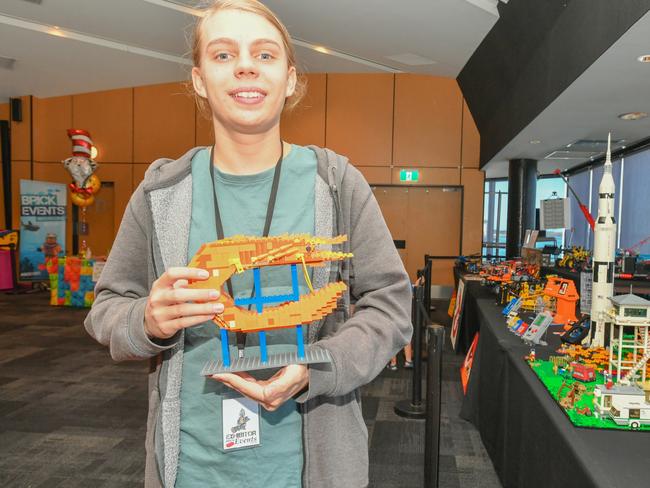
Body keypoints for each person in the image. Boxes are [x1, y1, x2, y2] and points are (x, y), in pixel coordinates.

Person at [84, 1, 412, 487]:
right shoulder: (161, 192)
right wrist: (147, 321)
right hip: (193, 466)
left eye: (264, 54)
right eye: (223, 55)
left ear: (290, 78)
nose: (245, 66)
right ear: (199, 80)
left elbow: (390, 306)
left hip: (311, 465)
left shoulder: (336, 182)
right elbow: (106, 309)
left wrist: (318, 366)